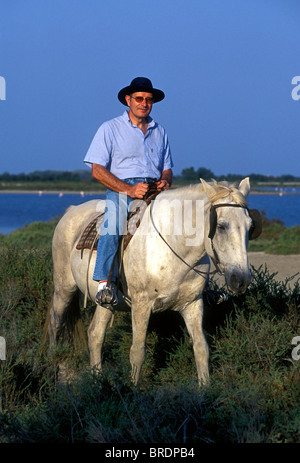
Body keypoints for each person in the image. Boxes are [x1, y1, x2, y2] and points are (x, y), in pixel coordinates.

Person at [84, 77, 173, 308]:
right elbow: (97, 170)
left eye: (149, 99)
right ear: (128, 100)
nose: (144, 103)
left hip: (154, 188)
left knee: (188, 221)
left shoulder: (159, 131)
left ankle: (201, 286)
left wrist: (164, 180)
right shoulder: (110, 128)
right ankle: (105, 283)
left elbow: (167, 168)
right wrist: (128, 189)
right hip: (122, 187)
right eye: (139, 98)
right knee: (113, 224)